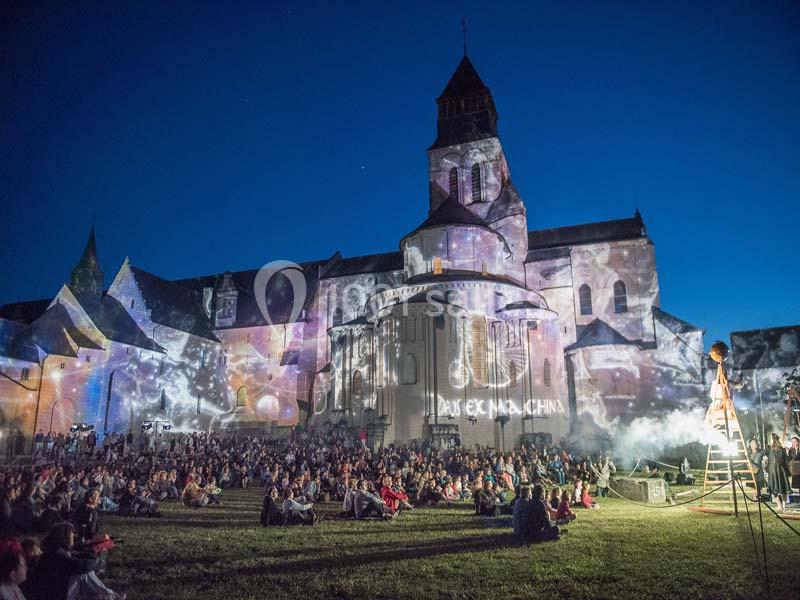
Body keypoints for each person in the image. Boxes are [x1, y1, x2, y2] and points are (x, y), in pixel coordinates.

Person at [25, 522, 122, 600]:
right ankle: (108, 596)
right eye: (72, 532)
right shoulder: (55, 553)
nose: (74, 535)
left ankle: (107, 595)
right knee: (82, 573)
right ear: (64, 535)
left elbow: (77, 555)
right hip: (56, 595)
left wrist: (92, 556)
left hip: (57, 591)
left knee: (84, 571)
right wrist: (98, 561)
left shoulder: (56, 549)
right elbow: (80, 565)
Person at [766, 432, 792, 512]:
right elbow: (762, 454)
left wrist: (787, 453)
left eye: (771, 439)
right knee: (774, 489)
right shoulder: (768, 449)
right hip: (773, 472)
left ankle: (783, 505)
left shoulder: (782, 449)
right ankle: (779, 505)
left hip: (781, 472)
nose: (770, 441)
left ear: (774, 440)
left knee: (783, 489)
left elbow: (788, 459)